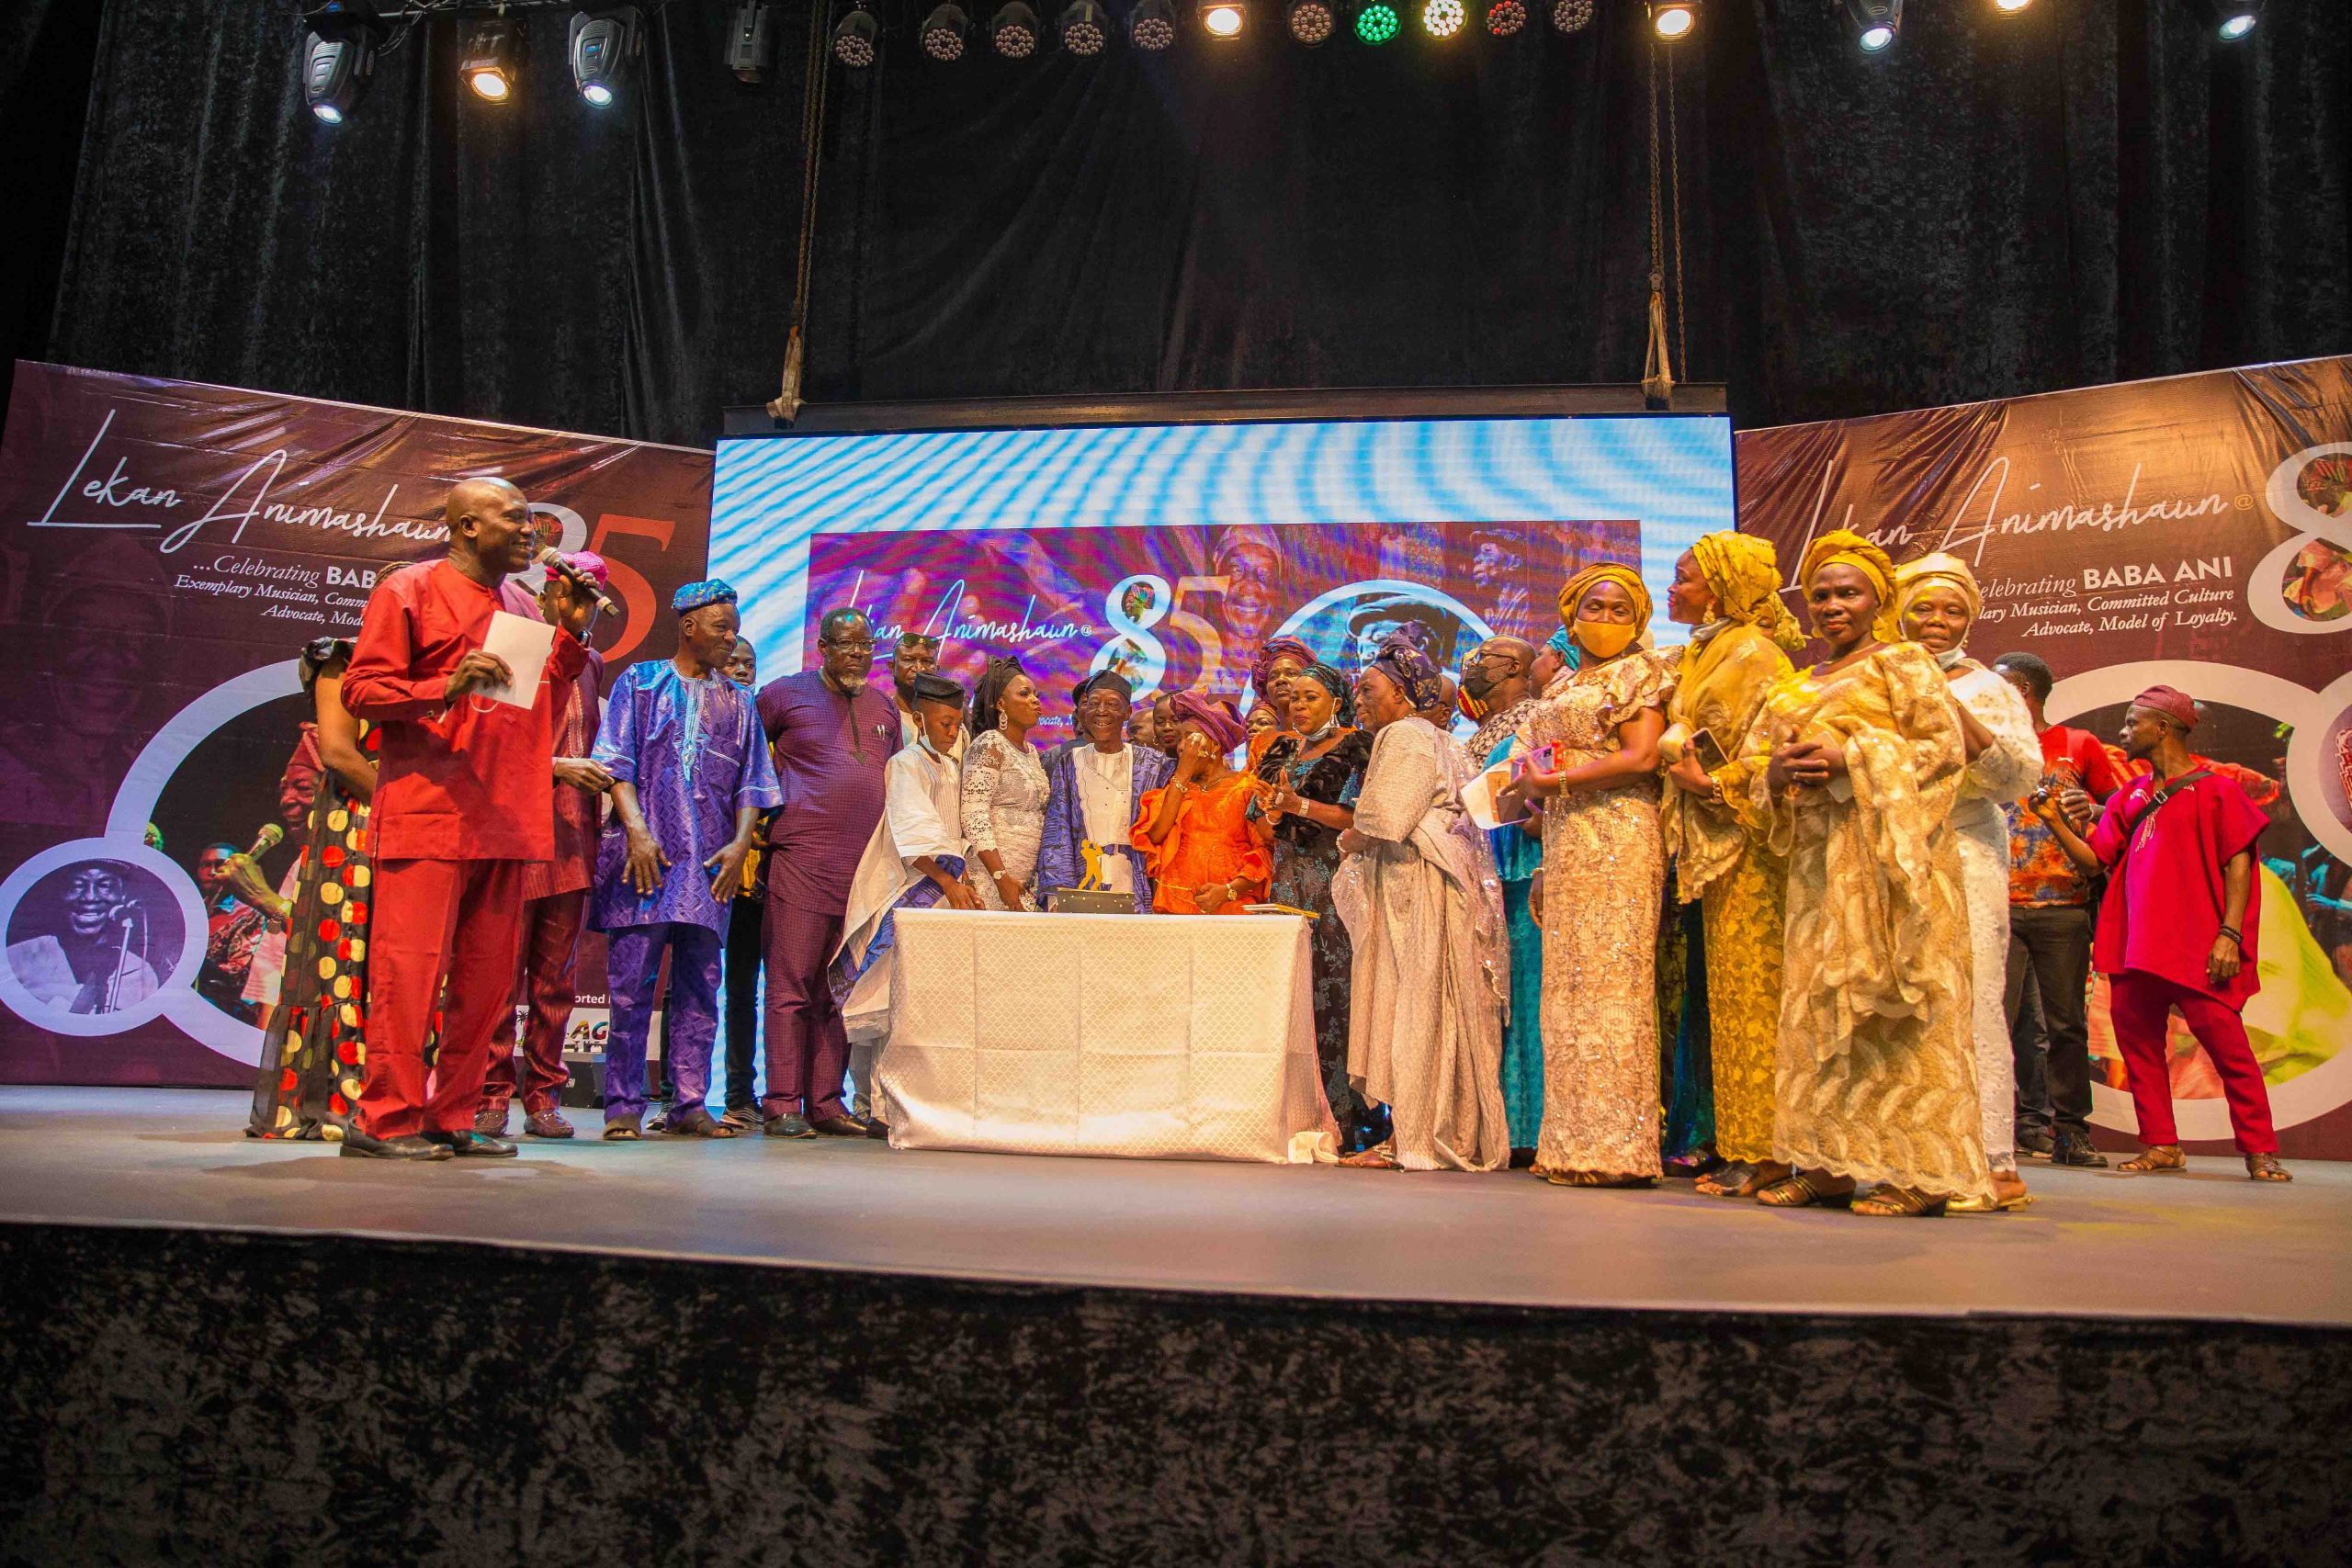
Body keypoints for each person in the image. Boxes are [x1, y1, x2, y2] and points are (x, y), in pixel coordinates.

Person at [338, 477, 598, 1160]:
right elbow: (361, 688)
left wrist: (569, 632)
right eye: (513, 519)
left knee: (485, 988)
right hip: (430, 811)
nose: (531, 531)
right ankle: (385, 1118)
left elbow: (527, 699)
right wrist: (438, 686)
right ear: (464, 528)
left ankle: (452, 1113)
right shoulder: (410, 588)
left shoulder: (518, 602)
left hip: (504, 815)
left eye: (532, 521)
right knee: (409, 974)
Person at [1742, 530, 1993, 1216]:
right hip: (1818, 870)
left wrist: (1855, 755)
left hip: (1893, 865)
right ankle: (1825, 1164)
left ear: (1878, 598)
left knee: (1904, 1005)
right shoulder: (1794, 684)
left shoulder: (1906, 663)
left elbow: (1943, 754)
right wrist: (1775, 771)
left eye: (1846, 592)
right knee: (1818, 1007)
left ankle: (1923, 1175)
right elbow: (1753, 765)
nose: (1831, 605)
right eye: (1820, 595)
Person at [2027, 685, 2290, 1181]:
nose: (2124, 732)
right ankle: (2162, 1144)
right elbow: (2094, 862)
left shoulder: (2217, 789)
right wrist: (2055, 823)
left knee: (2231, 1053)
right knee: (2141, 1049)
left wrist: (2228, 935)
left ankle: (2260, 1150)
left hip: (2197, 945)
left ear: (2163, 728)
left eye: (2132, 722)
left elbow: (2240, 863)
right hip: (2134, 947)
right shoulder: (2131, 795)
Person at [589, 581, 782, 1139]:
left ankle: (690, 1105)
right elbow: (615, 763)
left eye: (735, 628)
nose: (732, 638)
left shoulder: (739, 701)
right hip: (644, 859)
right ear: (689, 627)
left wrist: (743, 841)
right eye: (722, 628)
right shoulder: (640, 682)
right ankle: (623, 1106)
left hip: (710, 865)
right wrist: (639, 833)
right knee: (631, 986)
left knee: (701, 984)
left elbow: (755, 783)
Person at [1504, 565, 1670, 1189]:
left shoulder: (1639, 673)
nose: (1605, 619)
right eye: (1593, 608)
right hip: (1568, 836)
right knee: (1569, 992)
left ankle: (1621, 1148)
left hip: (1619, 833)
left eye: (1619, 609)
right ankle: (1573, 1142)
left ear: (1639, 619)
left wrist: (1554, 784)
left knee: (1614, 988)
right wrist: (1543, 814)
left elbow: (1642, 757)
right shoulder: (1570, 680)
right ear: (1571, 617)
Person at [1655, 535, 1805, 1199]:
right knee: (1717, 1001)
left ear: (1718, 586)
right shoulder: (1708, 649)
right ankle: (1731, 1137)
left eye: (1683, 577)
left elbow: (1773, 752)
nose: (1673, 587)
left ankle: (1767, 1149)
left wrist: (1708, 782)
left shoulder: (1755, 654)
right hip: (1708, 847)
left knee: (1754, 998)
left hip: (1749, 845)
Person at [1894, 554, 2043, 1212]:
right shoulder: (1880, 678)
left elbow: (2017, 777)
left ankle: (1991, 1161)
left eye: (1952, 610)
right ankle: (1918, 1156)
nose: (1936, 620)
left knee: (1973, 997)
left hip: (1964, 850)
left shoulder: (1988, 688)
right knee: (1905, 1005)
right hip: (1891, 856)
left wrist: (1951, 712)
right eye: (1923, 607)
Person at [1330, 636, 1510, 1172]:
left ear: (1403, 695)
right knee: (1437, 1007)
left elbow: (1385, 817)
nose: (1358, 700)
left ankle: (1414, 1136)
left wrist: (1350, 840)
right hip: (1435, 882)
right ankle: (1439, 1126)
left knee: (1417, 1004)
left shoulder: (1404, 734)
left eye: (1368, 689)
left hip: (1420, 887)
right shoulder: (1441, 739)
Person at [476, 555, 613, 1140]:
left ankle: (543, 1096)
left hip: (570, 838)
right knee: (499, 975)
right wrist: (557, 768)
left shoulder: (593, 661)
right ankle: (488, 1095)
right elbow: (488, 741)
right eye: (576, 598)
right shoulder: (513, 644)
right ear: (552, 592)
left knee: (555, 980)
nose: (584, 611)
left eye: (594, 602)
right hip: (514, 831)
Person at [756, 607, 900, 1138]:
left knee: (835, 989)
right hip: (801, 860)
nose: (858, 655)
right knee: (791, 986)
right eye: (846, 645)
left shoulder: (883, 705)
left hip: (863, 871)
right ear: (822, 646)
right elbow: (747, 761)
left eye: (864, 645)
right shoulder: (782, 694)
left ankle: (827, 1102)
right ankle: (781, 1103)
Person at [243, 638, 382, 1139]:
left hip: (415, 823)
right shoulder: (342, 660)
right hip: (358, 824)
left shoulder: (434, 669)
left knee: (393, 966)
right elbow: (339, 754)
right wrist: (401, 809)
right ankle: (335, 1099)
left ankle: (390, 1100)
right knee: (342, 957)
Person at [1991, 650, 2121, 1168]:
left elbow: (2115, 806)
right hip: (1995, 905)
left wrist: (2091, 807)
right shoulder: (1988, 744)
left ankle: (2070, 1131)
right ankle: (1995, 1129)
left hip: (2063, 906)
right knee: (1993, 1022)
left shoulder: (2077, 745)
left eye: (1999, 687)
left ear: (2023, 690)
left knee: (2065, 1025)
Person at [833, 672, 981, 1111]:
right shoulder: (905, 763)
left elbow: (953, 834)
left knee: (923, 1005)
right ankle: (874, 1102)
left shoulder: (952, 766)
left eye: (957, 724)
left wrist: (961, 879)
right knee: (886, 1000)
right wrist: (949, 881)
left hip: (940, 894)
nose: (952, 732)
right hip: (905, 890)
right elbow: (911, 837)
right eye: (943, 723)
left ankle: (916, 1100)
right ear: (919, 719)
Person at [1257, 662, 1377, 1151]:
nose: (1299, 706)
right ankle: (1296, 1112)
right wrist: (1271, 811)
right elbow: (1263, 822)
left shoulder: (1358, 746)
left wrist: (1297, 806)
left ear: (1336, 700)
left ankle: (1353, 1122)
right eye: (1294, 699)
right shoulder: (1281, 748)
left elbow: (1360, 816)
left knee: (1340, 995)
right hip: (1288, 882)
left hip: (1336, 880)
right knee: (1292, 997)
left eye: (1311, 697)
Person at [1459, 636, 1547, 1157]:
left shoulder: (1532, 718)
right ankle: (1500, 1123)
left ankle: (1529, 1127)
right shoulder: (1484, 728)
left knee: (1527, 1002)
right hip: (1488, 875)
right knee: (1499, 1004)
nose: (1472, 666)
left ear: (1513, 665)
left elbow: (1533, 800)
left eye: (1483, 657)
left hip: (1520, 871)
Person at [1038, 671, 1173, 909]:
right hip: (1084, 880)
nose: (1101, 711)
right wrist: (1056, 896)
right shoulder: (1069, 761)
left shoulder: (1152, 763)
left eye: (1112, 704)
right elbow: (1057, 832)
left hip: (1138, 881)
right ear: (1082, 711)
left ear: (1127, 713)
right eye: (1093, 703)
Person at [1132, 693, 1273, 914]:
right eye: (1180, 740)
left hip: (1231, 909)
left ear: (1215, 746)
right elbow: (1155, 834)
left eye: (1190, 738)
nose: (1182, 746)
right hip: (1175, 907)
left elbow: (1264, 852)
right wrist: (1183, 772)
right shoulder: (1176, 789)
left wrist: (1228, 891)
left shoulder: (1245, 788)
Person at [717, 635, 771, 1130]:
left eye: (748, 663)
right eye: (732, 661)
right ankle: (686, 1094)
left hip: (762, 884)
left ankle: (757, 1095)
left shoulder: (764, 726)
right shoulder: (711, 720)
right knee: (713, 989)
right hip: (716, 877)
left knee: (758, 990)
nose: (740, 669)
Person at [6, 862, 160, 1014]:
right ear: (61, 893)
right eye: (77, 885)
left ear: (123, 895)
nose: (89, 896)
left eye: (105, 885)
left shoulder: (140, 973)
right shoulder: (17, 958)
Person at [961, 658, 1051, 910]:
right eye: (1025, 694)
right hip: (993, 880)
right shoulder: (990, 744)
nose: (1035, 700)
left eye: (1036, 694)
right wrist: (1000, 877)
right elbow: (973, 815)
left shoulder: (1032, 752)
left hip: (1024, 880)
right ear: (1001, 704)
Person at [194, 843, 267, 1022]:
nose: (212, 872)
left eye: (219, 864)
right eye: (205, 865)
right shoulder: (192, 908)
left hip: (227, 1011)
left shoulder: (251, 913)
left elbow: (238, 973)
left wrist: (192, 962)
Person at [1246, 635, 1315, 763]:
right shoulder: (1260, 745)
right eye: (1273, 676)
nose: (1281, 680)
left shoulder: (1332, 738)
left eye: (1291, 673)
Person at [888, 632, 952, 751]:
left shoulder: (953, 727)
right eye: (908, 660)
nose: (918, 668)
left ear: (936, 670)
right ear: (892, 667)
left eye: (927, 661)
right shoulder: (882, 720)